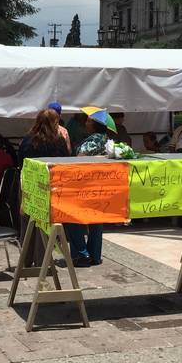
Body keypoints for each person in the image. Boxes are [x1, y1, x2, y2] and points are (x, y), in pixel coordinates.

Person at [66, 114, 114, 267]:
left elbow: (81, 157)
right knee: (96, 220)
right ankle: (95, 254)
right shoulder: (107, 139)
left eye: (88, 121)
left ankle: (81, 254)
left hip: (85, 184)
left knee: (76, 219)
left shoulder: (94, 140)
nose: (85, 123)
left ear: (94, 124)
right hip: (100, 185)